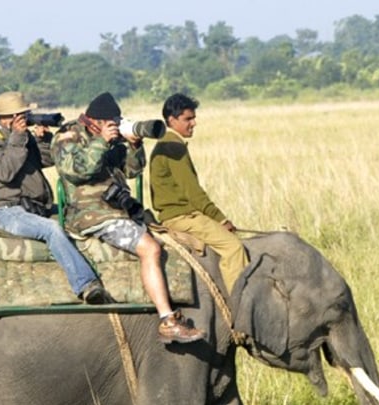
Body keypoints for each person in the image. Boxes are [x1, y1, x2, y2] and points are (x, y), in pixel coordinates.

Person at [51, 91, 205, 343]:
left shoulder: (110, 135)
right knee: (150, 248)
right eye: (111, 122)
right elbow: (77, 172)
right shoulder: (68, 136)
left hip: (120, 207)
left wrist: (134, 143)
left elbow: (132, 171)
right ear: (98, 122)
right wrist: (102, 141)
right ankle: (167, 321)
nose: (115, 127)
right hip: (91, 214)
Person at [0, 91, 111, 305]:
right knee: (51, 229)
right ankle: (86, 285)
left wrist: (45, 139)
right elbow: (4, 172)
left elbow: (46, 160)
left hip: (36, 205)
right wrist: (19, 138)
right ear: (8, 117)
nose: (26, 118)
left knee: (83, 214)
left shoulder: (21, 136)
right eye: (23, 114)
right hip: (8, 210)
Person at [149, 93, 248, 296]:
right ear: (171, 120)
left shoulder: (168, 144)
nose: (193, 123)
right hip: (183, 217)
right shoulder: (173, 147)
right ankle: (241, 307)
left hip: (180, 215)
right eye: (187, 119)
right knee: (234, 247)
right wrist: (221, 219)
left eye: (193, 118)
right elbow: (193, 192)